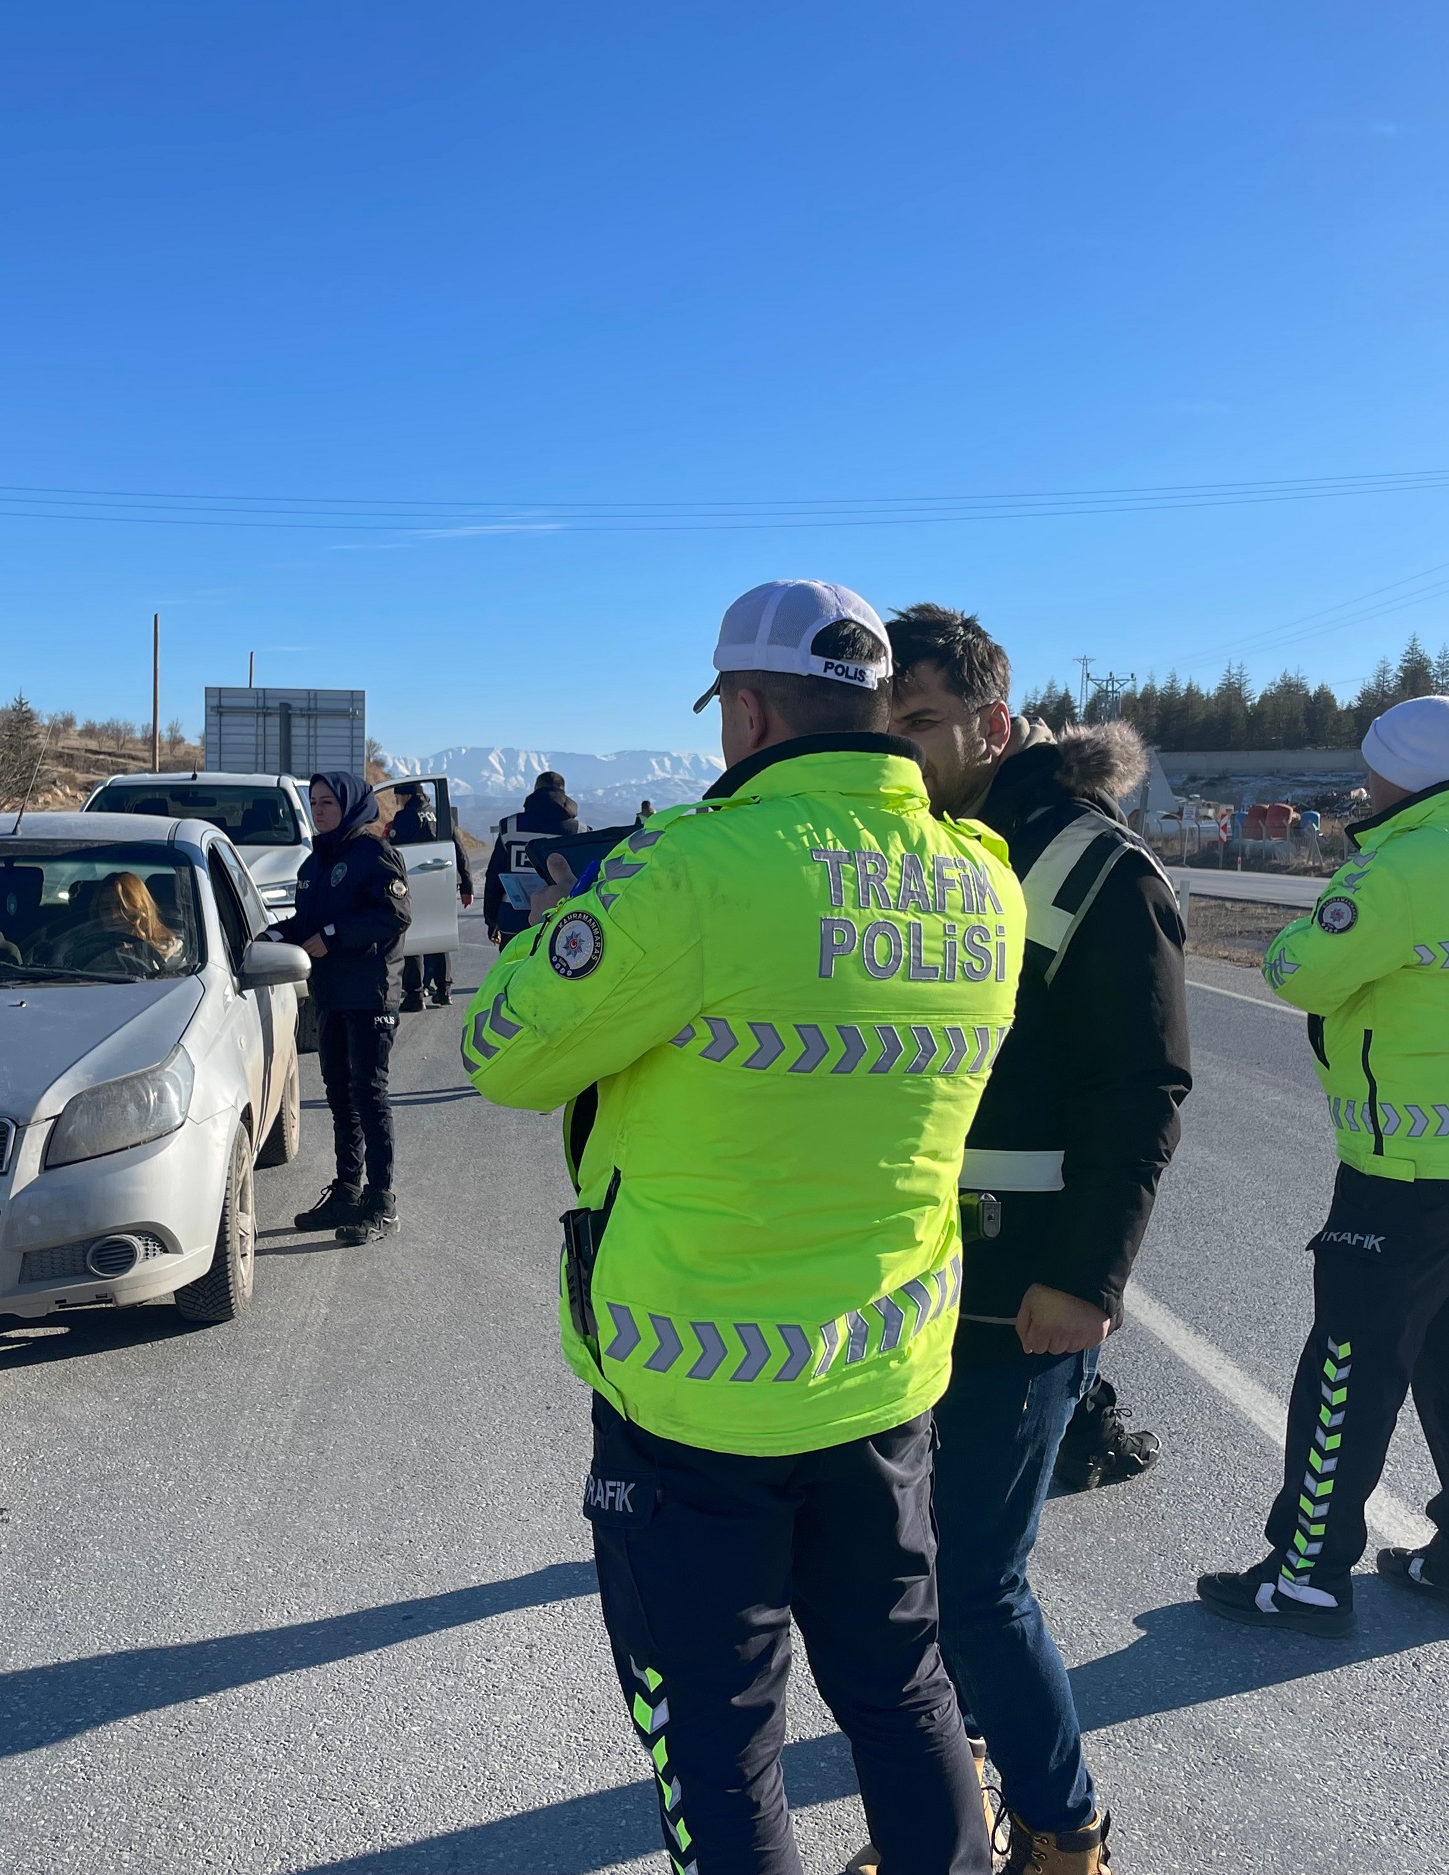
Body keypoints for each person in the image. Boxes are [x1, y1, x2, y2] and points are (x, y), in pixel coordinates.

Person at [466, 580, 1020, 1875]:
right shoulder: (979, 880)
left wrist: (563, 931)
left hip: (692, 1401)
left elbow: (502, 1053)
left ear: (748, 710)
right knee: (905, 1694)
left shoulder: (687, 874)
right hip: (884, 1379)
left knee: (719, 1749)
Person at [876, 605, 1191, 1875]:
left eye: (923, 723)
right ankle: (969, 1819)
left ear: (993, 725)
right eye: (878, 725)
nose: (899, 751)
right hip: (902, 1280)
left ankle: (1065, 1836)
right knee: (903, 1583)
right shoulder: (923, 850)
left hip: (1020, 1293)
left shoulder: (1091, 867)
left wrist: (1084, 1279)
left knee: (973, 1588)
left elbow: (1142, 1090)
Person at [1199, 694, 1449, 1636]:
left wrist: (1322, 917)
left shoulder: (1395, 871)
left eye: (1373, 762)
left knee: (1348, 1368)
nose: (1363, 778)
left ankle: (1310, 1572)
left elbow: (1297, 972)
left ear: (1398, 769)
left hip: (1404, 1168)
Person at [277, 772, 411, 1245]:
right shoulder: (316, 862)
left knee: (369, 1094)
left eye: (328, 802)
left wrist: (334, 937)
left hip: (370, 994)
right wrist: (273, 936)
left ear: (351, 805)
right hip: (330, 995)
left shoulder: (374, 854)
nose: (319, 810)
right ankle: (348, 1191)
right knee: (339, 1096)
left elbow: (394, 915)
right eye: (313, 802)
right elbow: (307, 923)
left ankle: (381, 1200)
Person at [388, 783, 472, 1010]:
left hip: (414, 881)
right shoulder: (439, 814)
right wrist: (467, 885)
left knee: (412, 937)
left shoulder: (404, 817)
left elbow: (393, 853)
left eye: (399, 798)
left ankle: (415, 995)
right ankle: (444, 991)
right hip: (442, 880)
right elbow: (459, 849)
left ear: (407, 796)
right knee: (439, 933)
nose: (398, 802)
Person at [485, 771, 581, 947]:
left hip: (514, 922)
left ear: (536, 790)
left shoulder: (510, 827)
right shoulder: (580, 831)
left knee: (512, 972)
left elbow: (494, 877)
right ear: (564, 794)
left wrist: (492, 920)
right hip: (562, 923)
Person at [47, 872, 186, 979]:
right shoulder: (73, 948)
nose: (114, 916)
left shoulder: (171, 950)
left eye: (123, 908)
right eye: (106, 909)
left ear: (141, 910)